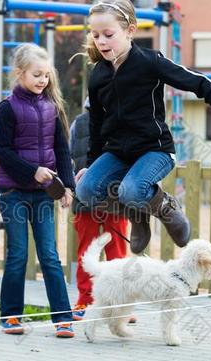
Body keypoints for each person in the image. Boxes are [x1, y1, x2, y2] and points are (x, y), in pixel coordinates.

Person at [75, 0, 211, 255]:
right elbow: (96, 124)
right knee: (86, 191)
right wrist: (89, 163)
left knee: (131, 190)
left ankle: (165, 207)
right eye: (95, 36)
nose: (101, 42)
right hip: (118, 152)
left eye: (108, 35)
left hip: (155, 150)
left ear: (130, 30)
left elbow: (199, 83)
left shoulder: (149, 63)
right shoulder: (99, 75)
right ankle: (138, 211)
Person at [0, 43, 76, 338]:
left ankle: (63, 318)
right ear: (19, 74)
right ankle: (11, 317)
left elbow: (62, 150)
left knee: (50, 255)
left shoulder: (53, 107)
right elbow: (2, 151)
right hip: (12, 192)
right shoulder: (7, 108)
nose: (43, 80)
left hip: (43, 194)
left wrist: (67, 186)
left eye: (46, 75)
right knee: (18, 254)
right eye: (37, 74)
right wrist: (32, 171)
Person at [69, 98, 130, 321]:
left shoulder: (125, 122)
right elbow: (70, 156)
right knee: (86, 251)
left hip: (116, 196)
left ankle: (120, 306)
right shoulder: (79, 123)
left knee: (117, 252)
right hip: (85, 196)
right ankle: (85, 300)